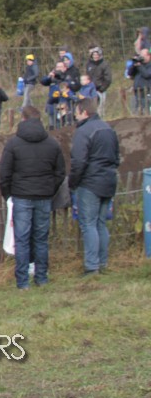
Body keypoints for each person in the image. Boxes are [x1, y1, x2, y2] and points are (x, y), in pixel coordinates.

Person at [0, 105, 65, 288]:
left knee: (22, 240)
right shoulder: (52, 143)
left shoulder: (13, 144)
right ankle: (41, 278)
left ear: (23, 119)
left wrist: (8, 194)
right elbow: (60, 172)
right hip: (44, 196)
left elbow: (4, 173)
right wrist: (49, 189)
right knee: (41, 239)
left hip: (21, 195)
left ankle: (22, 282)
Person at [68, 98, 121, 276]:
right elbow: (116, 157)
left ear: (84, 112)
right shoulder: (108, 128)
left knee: (88, 224)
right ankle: (102, 263)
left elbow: (78, 161)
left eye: (77, 112)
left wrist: (73, 183)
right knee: (100, 223)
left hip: (90, 183)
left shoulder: (83, 131)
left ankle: (92, 266)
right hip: (109, 180)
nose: (75, 115)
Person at [128, 48, 151, 116]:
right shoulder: (139, 65)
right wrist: (134, 65)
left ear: (148, 56)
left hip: (146, 91)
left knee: (146, 110)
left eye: (143, 56)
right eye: (140, 56)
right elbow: (130, 74)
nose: (141, 58)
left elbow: (147, 74)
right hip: (137, 91)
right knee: (136, 111)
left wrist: (139, 66)